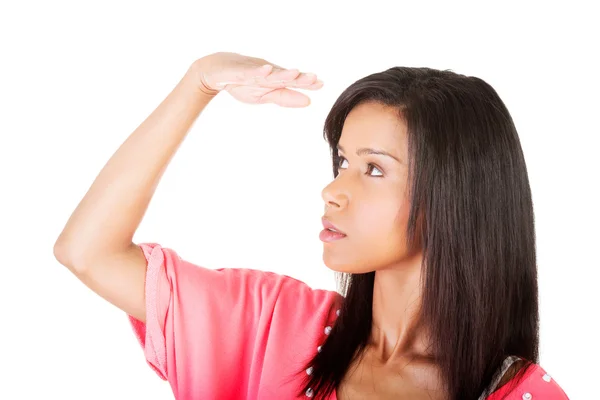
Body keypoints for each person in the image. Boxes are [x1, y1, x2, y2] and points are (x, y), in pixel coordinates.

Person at [53, 52, 570, 400]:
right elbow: (87, 250)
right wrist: (200, 80)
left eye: (374, 169)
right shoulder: (275, 324)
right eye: (342, 162)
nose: (333, 190)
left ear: (455, 195)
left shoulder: (522, 392)